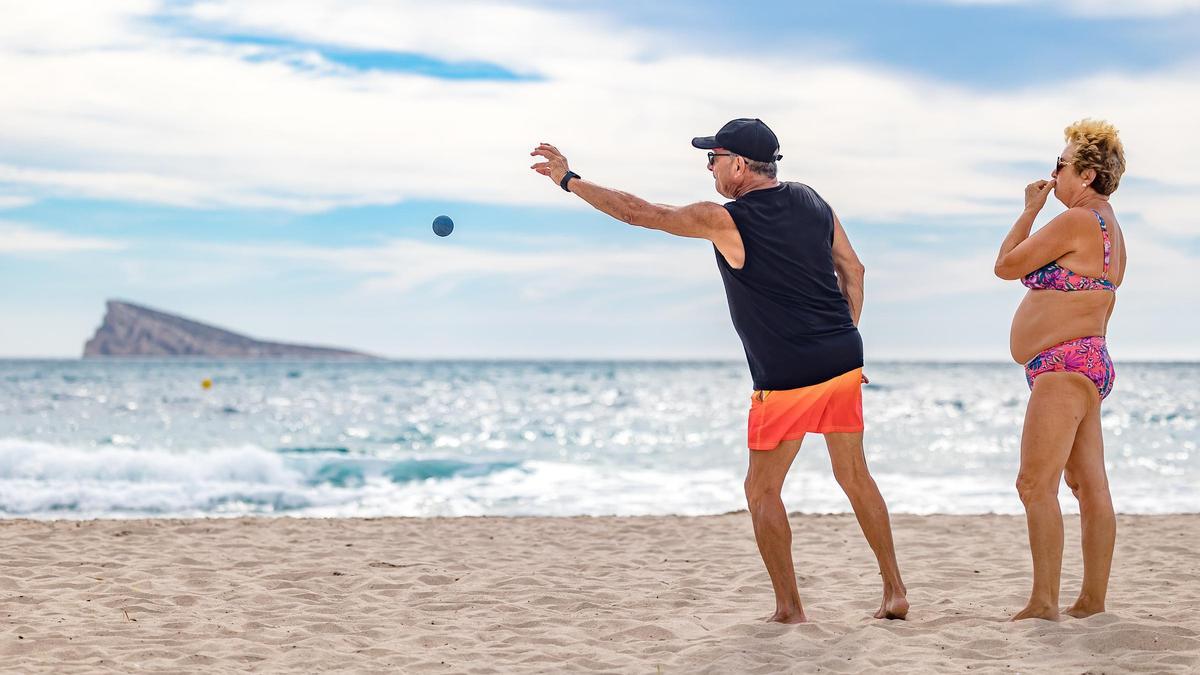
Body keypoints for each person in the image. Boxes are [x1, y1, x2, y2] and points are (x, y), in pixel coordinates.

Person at [530, 118, 907, 623]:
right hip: (841, 360)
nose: (709, 168)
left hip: (786, 376)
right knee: (855, 476)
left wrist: (569, 180)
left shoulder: (724, 219)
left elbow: (644, 213)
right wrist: (841, 337)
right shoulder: (815, 201)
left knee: (761, 490)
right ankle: (895, 592)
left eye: (713, 159)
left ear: (737, 164)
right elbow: (854, 272)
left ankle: (790, 609)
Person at [993, 119, 1127, 621]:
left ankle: (1044, 602)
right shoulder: (1112, 229)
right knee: (1089, 487)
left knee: (1035, 484)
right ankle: (1091, 601)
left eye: (1061, 165)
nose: (1054, 174)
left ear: (1087, 175)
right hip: (1086, 361)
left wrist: (1029, 208)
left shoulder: (1076, 221)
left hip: (1063, 365)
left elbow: (1006, 265)